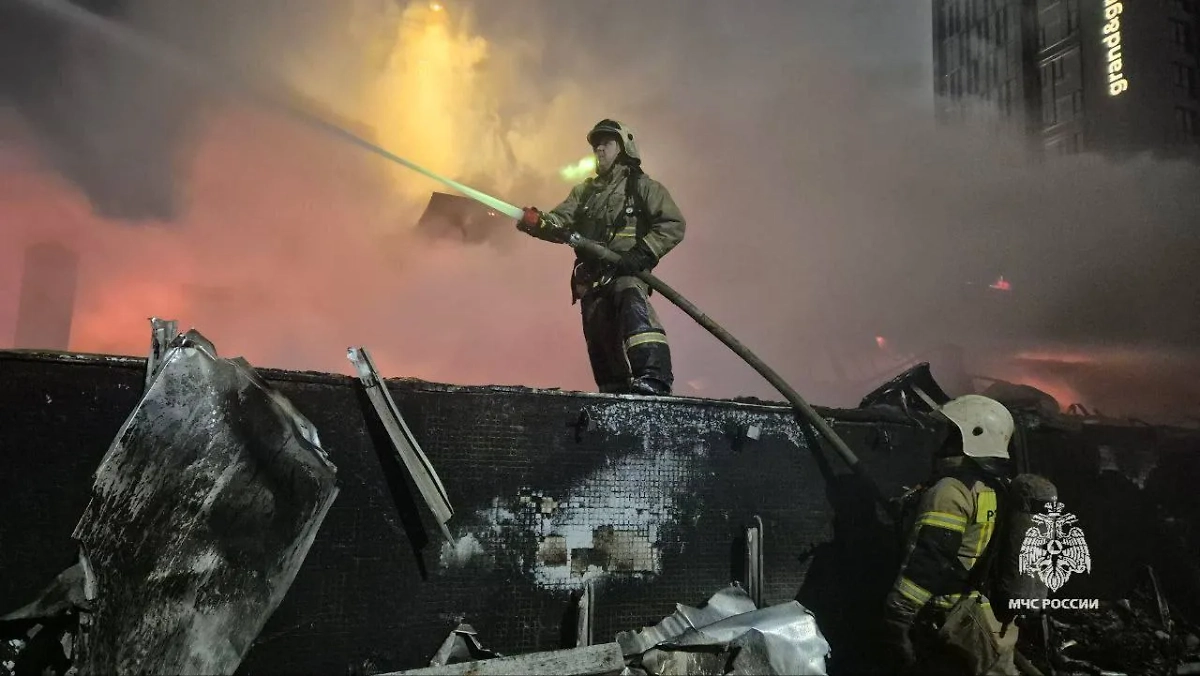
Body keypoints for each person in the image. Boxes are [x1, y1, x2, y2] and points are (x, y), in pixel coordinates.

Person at [516, 119, 686, 396]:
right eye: (596, 146)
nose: (599, 150)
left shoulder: (642, 187)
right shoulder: (585, 192)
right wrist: (537, 222)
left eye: (606, 144)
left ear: (624, 147)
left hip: (626, 272)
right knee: (599, 337)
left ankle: (654, 379)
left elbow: (672, 224)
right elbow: (560, 222)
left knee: (636, 318)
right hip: (592, 278)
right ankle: (614, 394)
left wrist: (641, 253)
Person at [881, 394, 1021, 675]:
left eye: (953, 433)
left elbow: (931, 558)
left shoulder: (952, 490)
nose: (945, 441)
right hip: (988, 620)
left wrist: (898, 615)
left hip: (950, 621)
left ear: (972, 436)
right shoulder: (998, 487)